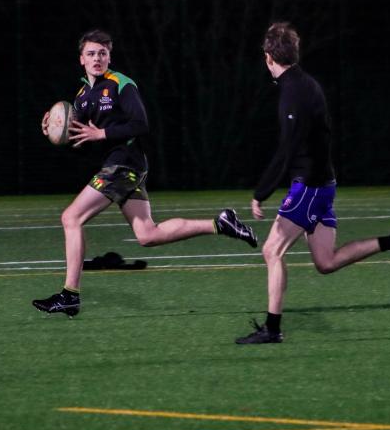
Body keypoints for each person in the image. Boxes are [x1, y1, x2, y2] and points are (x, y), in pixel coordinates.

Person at [33, 29, 258, 317]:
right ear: (81, 59)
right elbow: (81, 137)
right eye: (91, 53)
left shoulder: (120, 85)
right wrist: (54, 129)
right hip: (119, 165)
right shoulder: (81, 96)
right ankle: (221, 224)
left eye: (102, 53)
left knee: (71, 217)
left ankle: (70, 295)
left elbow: (141, 124)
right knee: (148, 235)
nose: (97, 58)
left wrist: (102, 133)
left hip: (124, 163)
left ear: (109, 56)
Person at [235, 22, 390, 344]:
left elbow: (286, 149)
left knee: (272, 251)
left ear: (269, 57)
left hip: (310, 186)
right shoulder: (306, 84)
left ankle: (272, 329)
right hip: (323, 183)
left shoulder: (292, 92)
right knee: (326, 263)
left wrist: (261, 193)